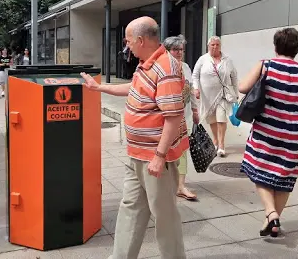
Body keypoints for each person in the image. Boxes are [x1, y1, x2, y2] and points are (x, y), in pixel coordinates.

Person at [81, 16, 188, 259]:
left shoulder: (166, 67)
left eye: (128, 41)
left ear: (141, 40)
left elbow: (172, 117)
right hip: (137, 155)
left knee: (165, 217)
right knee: (130, 208)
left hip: (154, 159)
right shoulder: (146, 64)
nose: (126, 46)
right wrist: (100, 88)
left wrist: (160, 157)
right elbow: (133, 88)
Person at [238, 28, 298, 237]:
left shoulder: (266, 65)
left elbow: (242, 87)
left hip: (268, 129)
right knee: (285, 176)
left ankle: (270, 212)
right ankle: (273, 221)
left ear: (276, 46)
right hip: (296, 134)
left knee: (259, 169)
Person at [163, 35, 198, 201]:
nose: (179, 52)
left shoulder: (186, 67)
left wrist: (195, 110)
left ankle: (180, 186)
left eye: (181, 49)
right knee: (166, 151)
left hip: (186, 117)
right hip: (167, 119)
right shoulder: (162, 68)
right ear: (168, 51)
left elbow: (190, 90)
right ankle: (165, 183)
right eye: (175, 49)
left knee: (183, 151)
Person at [192, 36, 239, 157]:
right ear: (208, 46)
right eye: (212, 45)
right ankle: (216, 140)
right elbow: (195, 75)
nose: (215, 47)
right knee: (212, 119)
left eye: (217, 45)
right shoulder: (203, 59)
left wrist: (235, 92)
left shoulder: (227, 60)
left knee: (221, 118)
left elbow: (234, 76)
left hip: (223, 94)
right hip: (207, 96)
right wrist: (196, 88)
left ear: (220, 46)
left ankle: (221, 144)